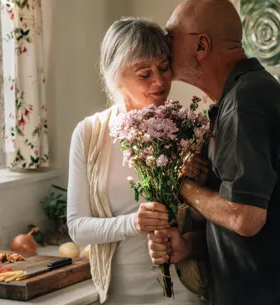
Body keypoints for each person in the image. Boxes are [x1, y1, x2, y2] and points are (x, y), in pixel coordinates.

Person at [140, 1, 280, 305]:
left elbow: (245, 218)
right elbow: (245, 226)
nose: (164, 46)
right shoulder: (242, 97)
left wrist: (184, 187)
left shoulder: (245, 104)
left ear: (201, 45)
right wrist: (189, 246)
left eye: (171, 37)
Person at [67, 17, 203, 305]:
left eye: (164, 68)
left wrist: (195, 183)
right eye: (144, 74)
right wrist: (133, 223)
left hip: (185, 294)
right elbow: (78, 228)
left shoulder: (187, 131)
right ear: (116, 78)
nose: (160, 81)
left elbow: (212, 224)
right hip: (121, 296)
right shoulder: (90, 135)